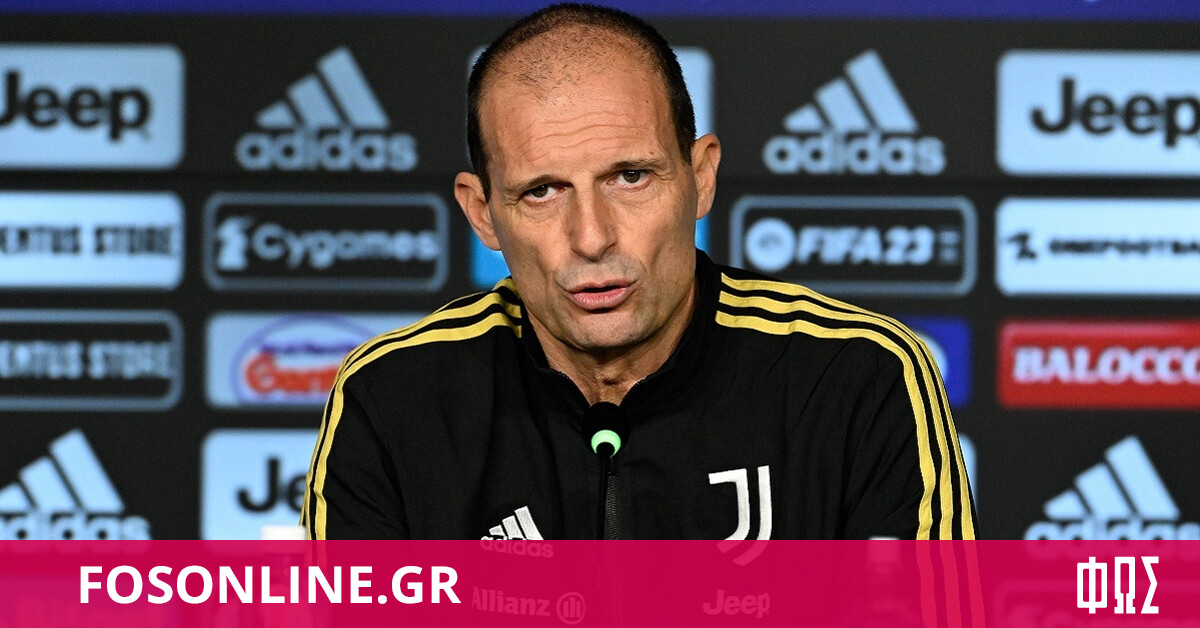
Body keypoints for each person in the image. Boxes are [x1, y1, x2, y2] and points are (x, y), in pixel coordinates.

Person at [302, 3, 976, 540]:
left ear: (700, 178)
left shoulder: (859, 378)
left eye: (630, 177)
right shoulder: (392, 398)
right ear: (483, 214)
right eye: (542, 191)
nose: (592, 238)